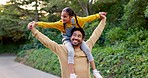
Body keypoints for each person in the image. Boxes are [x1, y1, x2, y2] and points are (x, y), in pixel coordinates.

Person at [28, 7, 106, 78]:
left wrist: (100, 16)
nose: (62, 18)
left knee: (88, 50)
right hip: (66, 41)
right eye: (74, 35)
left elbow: (90, 22)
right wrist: (35, 26)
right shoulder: (62, 49)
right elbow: (48, 26)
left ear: (82, 38)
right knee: (71, 51)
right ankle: (72, 74)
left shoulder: (79, 22)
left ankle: (95, 71)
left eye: (79, 36)